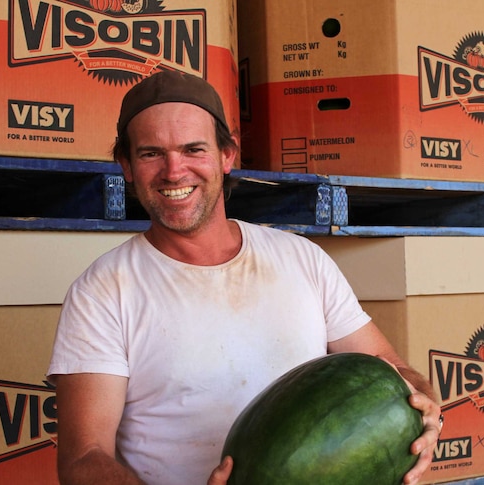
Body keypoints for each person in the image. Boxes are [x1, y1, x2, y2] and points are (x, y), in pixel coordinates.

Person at [47, 70, 443, 485]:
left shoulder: (301, 259)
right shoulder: (102, 292)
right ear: (126, 166)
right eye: (150, 154)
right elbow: (83, 460)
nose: (174, 171)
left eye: (193, 149)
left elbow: (391, 372)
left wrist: (425, 409)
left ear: (226, 155)